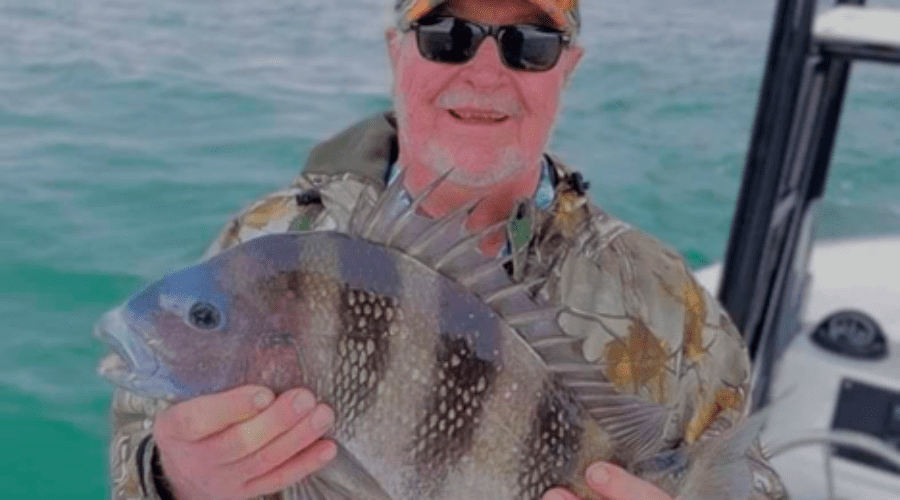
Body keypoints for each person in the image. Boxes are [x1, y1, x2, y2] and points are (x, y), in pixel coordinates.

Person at [103, 0, 788, 499]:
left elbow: (748, 480)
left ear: (567, 69)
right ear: (395, 50)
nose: (485, 73)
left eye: (529, 44)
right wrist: (176, 481)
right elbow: (134, 455)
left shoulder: (669, 299)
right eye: (447, 34)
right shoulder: (265, 241)